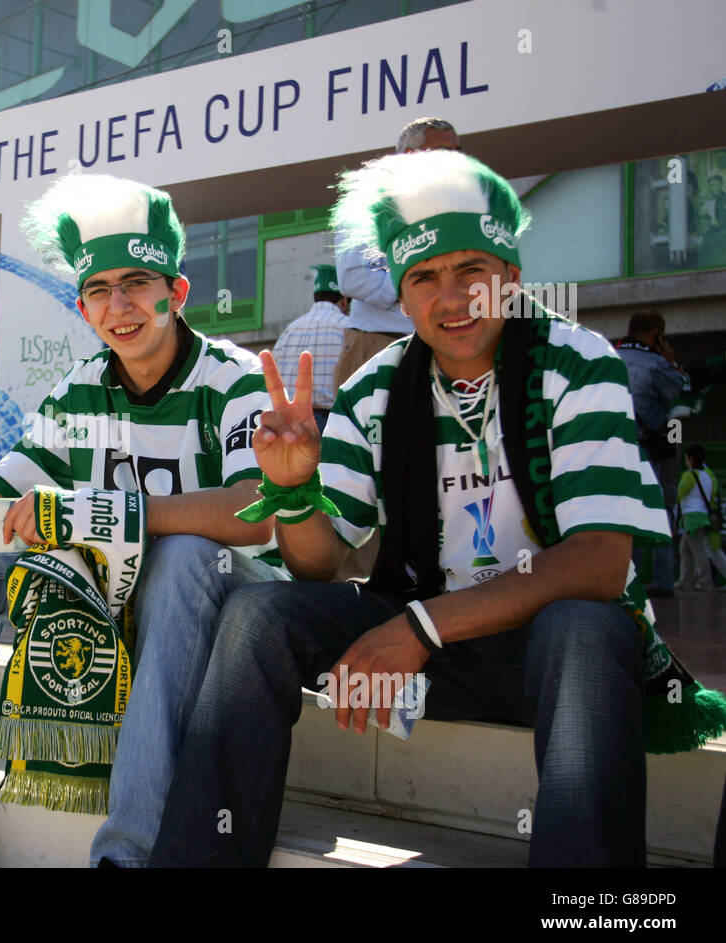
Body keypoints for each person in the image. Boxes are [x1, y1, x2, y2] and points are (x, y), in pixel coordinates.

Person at [150, 150, 725, 868]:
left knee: (583, 623)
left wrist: (419, 626)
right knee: (259, 613)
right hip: (431, 658)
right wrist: (295, 491)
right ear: (400, 293)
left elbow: (602, 562)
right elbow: (320, 562)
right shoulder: (375, 388)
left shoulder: (578, 361)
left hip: (548, 655)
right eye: (424, 277)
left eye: (470, 272)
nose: (450, 299)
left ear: (510, 278)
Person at [0, 173, 284, 868]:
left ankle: (131, 853)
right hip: (116, 592)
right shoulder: (81, 386)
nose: (118, 306)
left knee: (183, 557)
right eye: (98, 290)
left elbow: (258, 511)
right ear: (82, 307)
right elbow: (3, 496)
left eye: (137, 283)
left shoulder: (234, 379)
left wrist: (111, 516)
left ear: (176, 292)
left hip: (221, 600)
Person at [331, 117, 460, 582]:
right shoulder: (372, 207)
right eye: (444, 151)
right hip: (375, 346)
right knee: (370, 465)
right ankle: (360, 582)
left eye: (458, 151)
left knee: (424, 460)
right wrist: (413, 289)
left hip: (435, 346)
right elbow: (352, 277)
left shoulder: (455, 208)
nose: (455, 161)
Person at [617, 309, 690, 597]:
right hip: (653, 450)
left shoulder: (610, 359)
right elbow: (682, 404)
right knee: (661, 513)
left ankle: (628, 580)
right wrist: (673, 364)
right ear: (655, 336)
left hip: (618, 449)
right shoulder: (659, 366)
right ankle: (662, 582)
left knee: (624, 514)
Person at [270, 264, 350, 433]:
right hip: (327, 423)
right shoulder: (348, 327)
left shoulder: (290, 329)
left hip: (285, 423)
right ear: (344, 300)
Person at [676, 443, 726, 590]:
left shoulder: (689, 475)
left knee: (698, 551)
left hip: (692, 518)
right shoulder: (708, 474)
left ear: (690, 459)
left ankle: (704, 582)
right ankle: (685, 580)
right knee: (685, 548)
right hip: (703, 516)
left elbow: (678, 495)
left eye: (686, 458)